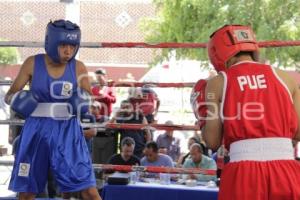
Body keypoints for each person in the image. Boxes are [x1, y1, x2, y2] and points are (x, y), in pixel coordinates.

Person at [195, 24, 300, 199]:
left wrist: (202, 116)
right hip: (286, 170)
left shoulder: (217, 83)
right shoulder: (286, 78)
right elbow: (298, 133)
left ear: (216, 52)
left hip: (243, 172)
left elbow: (212, 141)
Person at [5, 19, 101, 200]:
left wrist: (83, 101)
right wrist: (20, 100)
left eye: (72, 46)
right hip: (36, 130)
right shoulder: (32, 63)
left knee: (88, 189)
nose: (68, 51)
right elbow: (9, 95)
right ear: (51, 42)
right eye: (64, 45)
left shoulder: (78, 66)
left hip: (67, 130)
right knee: (27, 191)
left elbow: (89, 98)